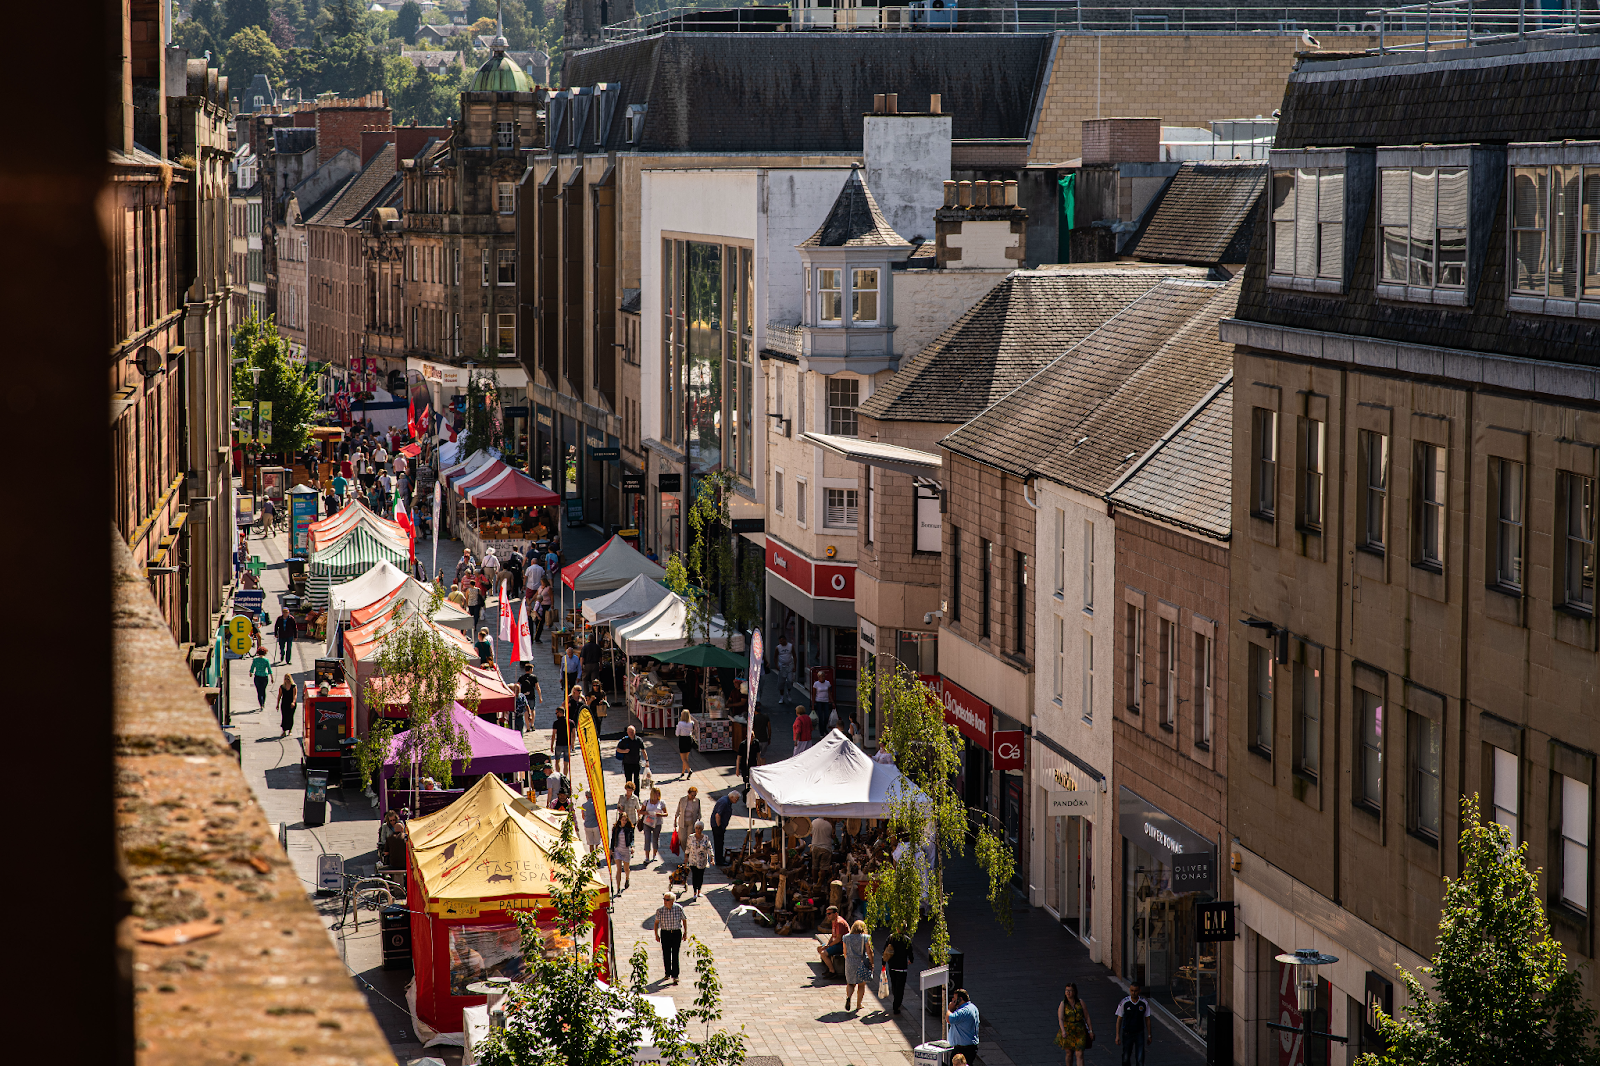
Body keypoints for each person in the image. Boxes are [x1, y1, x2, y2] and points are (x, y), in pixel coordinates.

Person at [653, 892, 688, 985]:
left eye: (667, 900)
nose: (665, 901)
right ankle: (667, 972)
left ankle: (675, 975)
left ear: (672, 901)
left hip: (676, 933)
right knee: (666, 953)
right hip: (665, 933)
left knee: (675, 954)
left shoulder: (678, 908)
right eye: (664, 899)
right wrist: (656, 934)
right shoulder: (660, 910)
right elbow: (656, 923)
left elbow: (684, 920)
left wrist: (685, 932)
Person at [1114, 983, 1152, 1066]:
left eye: (1135, 991)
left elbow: (1147, 1019)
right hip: (1127, 1033)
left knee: (1140, 1058)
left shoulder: (1144, 1003)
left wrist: (1149, 1035)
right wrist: (1117, 1035)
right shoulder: (1124, 1002)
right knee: (1126, 1057)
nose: (1133, 993)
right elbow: (1119, 1019)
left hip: (1139, 1033)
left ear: (1139, 991)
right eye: (1132, 991)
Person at [842, 919, 874, 1012]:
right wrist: (872, 963)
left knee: (850, 983)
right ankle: (858, 1004)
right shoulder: (865, 937)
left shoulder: (846, 937)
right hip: (861, 962)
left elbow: (844, 951)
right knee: (861, 985)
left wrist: (848, 959)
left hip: (849, 962)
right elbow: (869, 951)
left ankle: (848, 997)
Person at [1058, 982, 1093, 1066]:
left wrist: (1091, 1030)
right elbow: (1061, 1018)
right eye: (1066, 990)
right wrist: (1063, 1031)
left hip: (1080, 1030)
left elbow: (1087, 1016)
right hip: (1068, 1030)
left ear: (1074, 992)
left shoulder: (1080, 1002)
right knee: (1069, 1053)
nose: (1068, 992)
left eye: (1070, 990)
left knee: (1079, 1054)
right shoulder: (1063, 1004)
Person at [883, 926, 914, 1015]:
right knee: (900, 987)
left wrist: (883, 962)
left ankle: (896, 1000)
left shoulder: (891, 938)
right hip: (902, 967)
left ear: (896, 928)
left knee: (894, 984)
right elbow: (910, 952)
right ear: (905, 929)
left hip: (892, 965)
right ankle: (897, 1004)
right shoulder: (907, 940)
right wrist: (911, 960)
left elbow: (885, 950)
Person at [947, 989, 982, 1065]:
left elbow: (950, 1019)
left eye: (955, 998)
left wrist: (950, 1009)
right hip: (969, 1047)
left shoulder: (964, 1010)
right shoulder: (972, 1007)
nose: (953, 1000)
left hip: (963, 1049)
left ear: (961, 999)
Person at [816, 904, 849, 976]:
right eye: (827, 914)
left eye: (829, 914)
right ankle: (828, 966)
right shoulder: (834, 921)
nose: (827, 916)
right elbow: (833, 936)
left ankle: (832, 971)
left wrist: (829, 946)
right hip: (837, 943)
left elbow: (838, 939)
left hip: (842, 945)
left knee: (823, 953)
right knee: (819, 948)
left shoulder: (839, 923)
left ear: (835, 914)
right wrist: (827, 944)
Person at [710, 789, 740, 865]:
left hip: (720, 825)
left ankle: (720, 859)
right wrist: (719, 826)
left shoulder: (727, 801)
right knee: (719, 843)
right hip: (717, 826)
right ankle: (719, 861)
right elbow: (718, 815)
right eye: (736, 799)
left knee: (720, 842)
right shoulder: (724, 802)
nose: (737, 801)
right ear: (732, 797)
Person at [684, 822, 712, 901]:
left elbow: (709, 848)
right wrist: (685, 858)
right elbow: (688, 848)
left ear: (702, 829)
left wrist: (712, 858)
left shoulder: (706, 838)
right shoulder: (691, 837)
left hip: (702, 861)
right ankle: (694, 892)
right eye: (696, 828)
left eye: (699, 828)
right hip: (693, 860)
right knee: (694, 876)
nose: (698, 830)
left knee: (700, 876)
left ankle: (699, 890)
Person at [673, 786, 701, 861]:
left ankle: (688, 856)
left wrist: (698, 823)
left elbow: (699, 813)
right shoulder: (682, 800)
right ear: (688, 793)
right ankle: (687, 852)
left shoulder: (697, 801)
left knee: (690, 839)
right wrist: (675, 820)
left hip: (692, 823)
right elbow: (678, 810)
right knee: (682, 839)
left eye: (695, 795)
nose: (693, 797)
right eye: (692, 795)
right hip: (682, 822)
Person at [641, 786, 667, 863]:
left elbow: (666, 813)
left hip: (657, 823)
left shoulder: (661, 802)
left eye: (658, 794)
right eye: (656, 794)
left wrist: (660, 815)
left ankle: (654, 855)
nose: (657, 795)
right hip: (647, 823)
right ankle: (647, 857)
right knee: (647, 839)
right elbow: (640, 811)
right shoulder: (646, 801)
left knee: (655, 839)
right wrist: (646, 813)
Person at [615, 725, 646, 790]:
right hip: (627, 763)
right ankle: (629, 794)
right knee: (628, 780)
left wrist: (647, 760)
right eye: (629, 732)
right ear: (627, 732)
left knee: (636, 780)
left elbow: (643, 750)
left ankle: (637, 795)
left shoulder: (638, 740)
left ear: (635, 732)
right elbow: (618, 749)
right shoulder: (624, 740)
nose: (631, 733)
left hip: (636, 763)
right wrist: (624, 751)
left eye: (632, 732)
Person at [515, 662, 541, 732]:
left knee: (526, 712)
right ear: (530, 669)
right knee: (532, 710)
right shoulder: (534, 677)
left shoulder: (521, 677)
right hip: (532, 696)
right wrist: (540, 697)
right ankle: (532, 724)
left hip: (524, 697)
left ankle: (528, 727)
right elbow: (537, 687)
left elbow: (517, 686)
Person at [610, 813, 633, 893]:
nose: (624, 821)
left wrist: (632, 846)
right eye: (623, 820)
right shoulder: (616, 828)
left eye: (625, 820)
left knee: (626, 869)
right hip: (618, 850)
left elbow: (631, 839)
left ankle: (627, 878)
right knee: (619, 869)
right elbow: (613, 839)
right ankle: (618, 888)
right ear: (620, 820)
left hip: (626, 850)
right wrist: (611, 849)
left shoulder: (629, 828)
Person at [616, 780, 642, 848]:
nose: (628, 792)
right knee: (623, 834)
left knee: (631, 834)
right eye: (627, 790)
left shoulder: (635, 798)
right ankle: (625, 847)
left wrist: (639, 818)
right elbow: (618, 807)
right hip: (623, 820)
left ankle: (631, 847)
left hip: (632, 819)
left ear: (632, 790)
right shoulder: (622, 797)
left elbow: (638, 809)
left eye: (630, 790)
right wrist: (621, 811)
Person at [810, 815, 835, 879]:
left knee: (814, 867)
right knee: (823, 868)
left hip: (815, 847)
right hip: (826, 848)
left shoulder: (813, 822)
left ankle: (815, 883)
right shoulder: (829, 825)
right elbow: (833, 836)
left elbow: (811, 834)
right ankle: (820, 883)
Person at [550, 705, 572, 777]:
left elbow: (553, 735)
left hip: (559, 744)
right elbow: (573, 734)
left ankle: (559, 776)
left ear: (560, 713)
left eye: (556, 713)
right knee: (566, 763)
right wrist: (572, 744)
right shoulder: (570, 722)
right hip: (567, 744)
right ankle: (564, 777)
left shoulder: (556, 723)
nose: (556, 715)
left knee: (557, 761)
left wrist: (552, 745)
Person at [675, 709, 695, 778]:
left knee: (683, 758)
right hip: (689, 739)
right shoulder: (691, 723)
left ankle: (689, 770)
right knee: (686, 758)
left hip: (682, 740)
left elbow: (677, 734)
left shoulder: (680, 723)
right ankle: (683, 772)